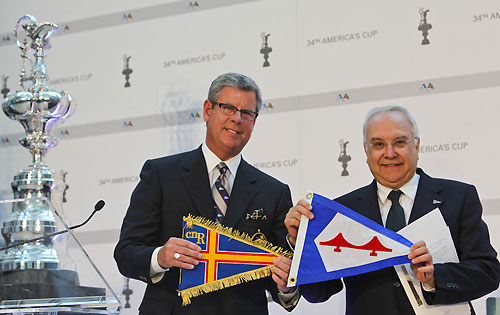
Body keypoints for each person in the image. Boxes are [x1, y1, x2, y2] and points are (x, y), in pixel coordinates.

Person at [285, 105, 499, 314]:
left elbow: (488, 273)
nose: (390, 153)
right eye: (378, 144)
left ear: (416, 145)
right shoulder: (343, 210)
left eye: (399, 142)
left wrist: (435, 278)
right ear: (366, 150)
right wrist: (300, 242)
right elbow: (319, 292)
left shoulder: (459, 197)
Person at [114, 73, 297, 315]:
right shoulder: (161, 174)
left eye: (247, 113)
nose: (237, 119)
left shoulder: (273, 191)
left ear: (254, 120)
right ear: (208, 110)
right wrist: (160, 257)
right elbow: (126, 253)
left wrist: (287, 286)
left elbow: (279, 275)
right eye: (228, 108)